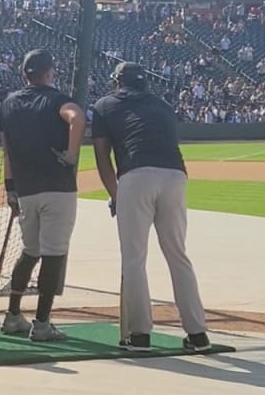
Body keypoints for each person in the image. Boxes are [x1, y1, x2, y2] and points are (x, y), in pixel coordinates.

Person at [90, 61, 211, 352]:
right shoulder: (163, 105)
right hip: (175, 176)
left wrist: (115, 195)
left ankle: (140, 335)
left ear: (118, 81)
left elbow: (102, 158)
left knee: (134, 259)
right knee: (178, 256)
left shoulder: (105, 105)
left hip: (136, 175)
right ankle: (198, 335)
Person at [0, 49, 86, 342]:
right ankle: (43, 322)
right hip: (57, 188)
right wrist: (71, 155)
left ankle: (12, 315)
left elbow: (6, 151)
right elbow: (77, 118)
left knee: (30, 251)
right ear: (49, 72)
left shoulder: (8, 103)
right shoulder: (57, 99)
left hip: (25, 189)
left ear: (25, 74)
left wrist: (10, 188)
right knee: (54, 253)